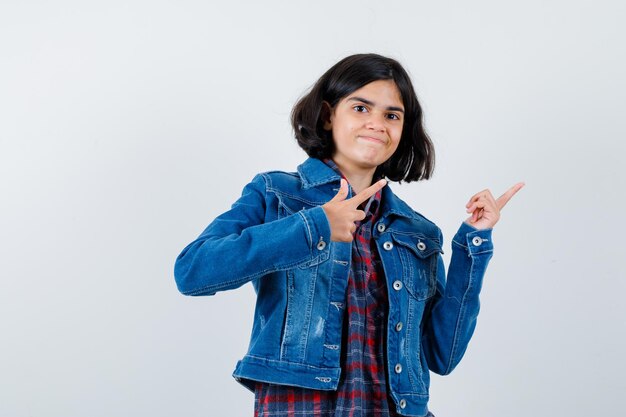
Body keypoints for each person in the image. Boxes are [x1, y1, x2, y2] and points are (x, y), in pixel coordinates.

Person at [174, 53, 523, 417]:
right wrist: (317, 226)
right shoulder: (275, 194)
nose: (377, 124)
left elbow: (442, 354)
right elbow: (193, 272)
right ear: (328, 116)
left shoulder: (417, 231)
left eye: (392, 115)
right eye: (360, 108)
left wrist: (473, 244)